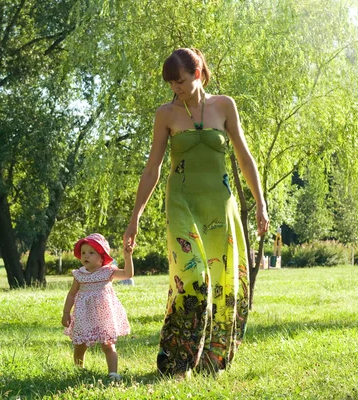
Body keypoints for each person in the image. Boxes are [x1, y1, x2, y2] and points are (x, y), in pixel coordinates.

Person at [123, 48, 269, 377]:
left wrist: (259, 202)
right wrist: (135, 217)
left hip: (221, 205)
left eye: (181, 81)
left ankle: (212, 362)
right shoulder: (166, 114)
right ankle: (177, 363)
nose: (176, 88)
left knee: (223, 280)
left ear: (199, 73)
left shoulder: (224, 106)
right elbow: (152, 169)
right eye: (171, 83)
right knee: (191, 278)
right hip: (181, 204)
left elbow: (245, 158)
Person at [62, 233, 134, 381]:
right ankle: (78, 369)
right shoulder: (79, 275)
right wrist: (66, 313)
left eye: (91, 252)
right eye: (83, 253)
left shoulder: (108, 272)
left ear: (102, 257)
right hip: (84, 315)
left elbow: (128, 274)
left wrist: (128, 257)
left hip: (104, 315)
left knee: (108, 344)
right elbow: (71, 295)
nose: (85, 256)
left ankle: (113, 373)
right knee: (80, 345)